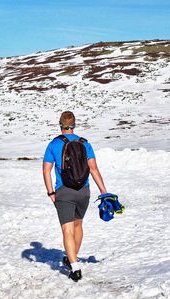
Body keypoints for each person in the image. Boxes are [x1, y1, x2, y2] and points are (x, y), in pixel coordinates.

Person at [42, 111, 108, 282]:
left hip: (64, 191)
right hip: (83, 191)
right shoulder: (84, 143)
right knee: (78, 225)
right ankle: (73, 258)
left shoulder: (54, 144)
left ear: (60, 124)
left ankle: (75, 268)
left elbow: (46, 170)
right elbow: (93, 168)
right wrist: (104, 191)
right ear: (74, 125)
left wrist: (51, 192)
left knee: (67, 229)